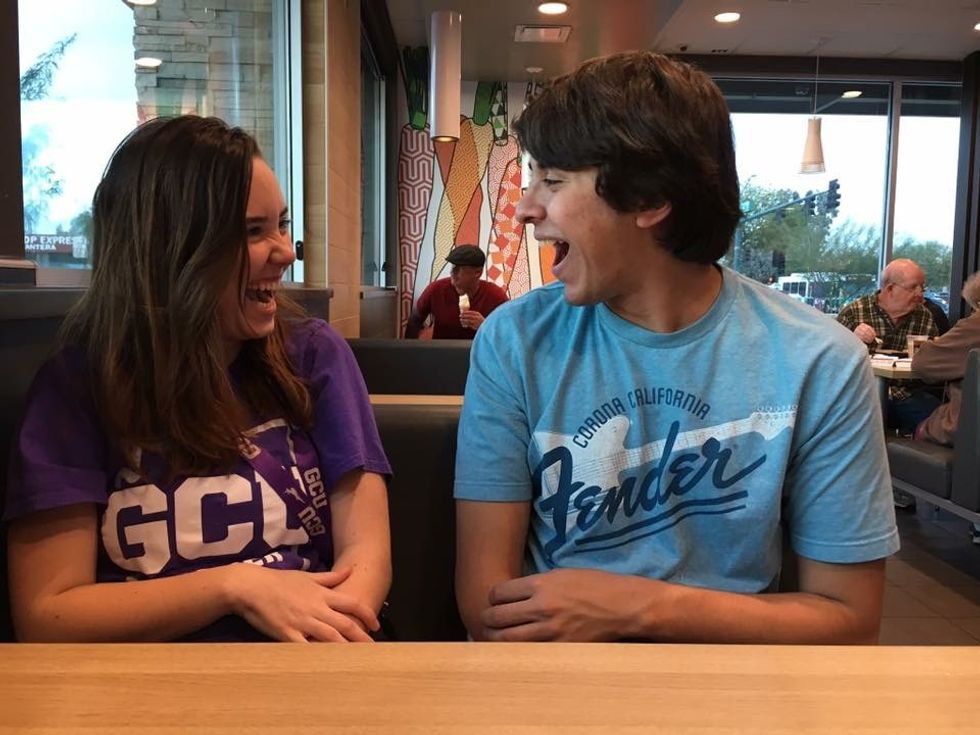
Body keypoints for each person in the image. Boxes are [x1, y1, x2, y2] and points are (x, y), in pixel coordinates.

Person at [454, 51, 898, 645]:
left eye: (553, 181)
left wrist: (638, 608)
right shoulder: (514, 340)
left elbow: (850, 619)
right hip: (551, 669)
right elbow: (486, 607)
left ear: (649, 199)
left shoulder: (821, 360)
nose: (526, 208)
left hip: (737, 678)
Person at [3, 116, 392, 643]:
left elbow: (367, 558)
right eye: (253, 231)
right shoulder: (77, 386)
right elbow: (48, 613)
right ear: (172, 248)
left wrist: (336, 633)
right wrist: (234, 587)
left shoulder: (315, 355)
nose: (284, 251)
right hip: (143, 678)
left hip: (309, 659)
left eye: (281, 224)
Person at [837, 259, 940, 438]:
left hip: (907, 394)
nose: (920, 294)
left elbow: (933, 363)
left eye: (922, 287)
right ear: (890, 288)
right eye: (913, 287)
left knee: (941, 423)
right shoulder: (855, 313)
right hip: (861, 395)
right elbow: (833, 362)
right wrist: (852, 337)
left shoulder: (924, 316)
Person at [404, 245, 508, 339]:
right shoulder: (436, 289)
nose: (452, 272)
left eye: (460, 268)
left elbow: (511, 330)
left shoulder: (495, 295)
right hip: (442, 350)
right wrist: (412, 350)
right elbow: (415, 320)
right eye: (453, 266)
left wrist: (485, 326)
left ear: (478, 272)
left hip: (479, 351)